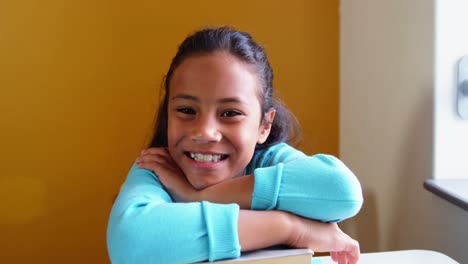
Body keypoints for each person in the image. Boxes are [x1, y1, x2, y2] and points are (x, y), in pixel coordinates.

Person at [107, 26, 363, 264]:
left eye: (230, 113)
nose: (205, 132)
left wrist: (199, 197)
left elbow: (343, 192)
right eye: (186, 110)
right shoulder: (157, 168)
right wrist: (290, 227)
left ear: (264, 126)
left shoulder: (268, 161)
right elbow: (131, 241)